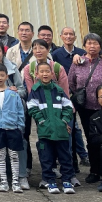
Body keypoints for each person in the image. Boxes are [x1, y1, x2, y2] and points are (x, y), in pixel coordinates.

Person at [68, 33, 102, 183]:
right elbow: (71, 83)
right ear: (84, 46)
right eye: (89, 43)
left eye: (95, 43)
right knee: (92, 140)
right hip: (86, 108)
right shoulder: (78, 62)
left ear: (100, 46)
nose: (92, 46)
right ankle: (95, 171)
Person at [0, 40, 28, 189]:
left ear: (3, 52)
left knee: (17, 150)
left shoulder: (12, 68)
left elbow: (22, 91)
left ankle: (20, 177)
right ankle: (4, 179)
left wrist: (15, 91)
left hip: (12, 119)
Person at [28, 63, 75, 194]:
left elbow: (68, 107)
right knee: (46, 157)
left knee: (65, 157)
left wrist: (63, 121)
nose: (45, 74)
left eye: (47, 71)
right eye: (42, 72)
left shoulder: (58, 90)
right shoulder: (35, 91)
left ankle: (67, 181)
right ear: (37, 74)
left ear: (52, 73)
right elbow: (31, 107)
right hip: (45, 131)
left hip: (61, 131)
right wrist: (41, 120)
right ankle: (50, 181)